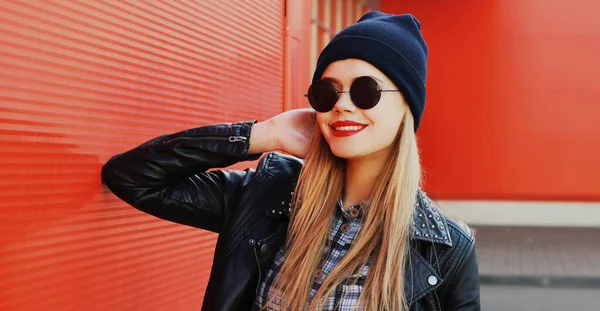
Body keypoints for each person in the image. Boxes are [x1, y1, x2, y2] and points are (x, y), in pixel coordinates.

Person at [102, 11, 480, 311]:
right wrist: (262, 135)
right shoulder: (265, 198)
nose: (342, 104)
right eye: (326, 92)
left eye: (366, 90)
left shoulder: (446, 249)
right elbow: (131, 177)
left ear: (406, 110)